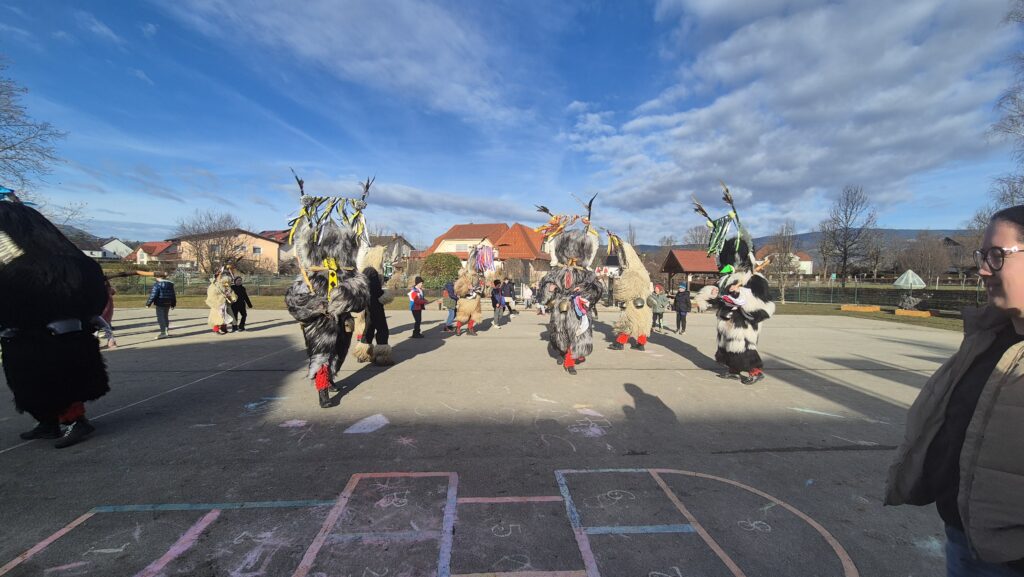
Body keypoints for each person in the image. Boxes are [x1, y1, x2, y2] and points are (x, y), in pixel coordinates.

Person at [886, 206, 1024, 576]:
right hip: (965, 537)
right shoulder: (989, 336)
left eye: (997, 256)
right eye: (983, 256)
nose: (983, 270)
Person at [1, 193, 110, 448]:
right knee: (27, 382)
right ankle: (47, 422)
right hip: (21, 336)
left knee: (59, 379)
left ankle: (75, 420)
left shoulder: (58, 264)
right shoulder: (17, 262)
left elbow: (92, 297)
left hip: (56, 337)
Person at [285, 191, 371, 409]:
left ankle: (330, 378)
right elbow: (295, 301)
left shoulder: (349, 274)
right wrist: (319, 306)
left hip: (343, 321)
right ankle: (322, 390)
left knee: (340, 352)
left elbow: (360, 299)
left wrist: (343, 299)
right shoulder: (311, 276)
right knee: (321, 356)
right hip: (320, 323)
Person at [536, 201, 604, 375]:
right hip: (560, 309)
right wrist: (549, 288)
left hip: (579, 310)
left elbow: (597, 288)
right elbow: (543, 288)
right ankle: (563, 353)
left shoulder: (585, 273)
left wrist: (584, 292)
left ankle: (569, 362)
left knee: (578, 335)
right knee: (560, 335)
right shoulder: (557, 271)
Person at [608, 239, 652, 352]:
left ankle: (620, 343)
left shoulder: (632, 274)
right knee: (642, 324)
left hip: (633, 304)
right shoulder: (643, 272)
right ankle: (641, 344)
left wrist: (617, 288)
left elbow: (624, 291)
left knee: (627, 322)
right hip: (644, 303)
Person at [145, 270, 177, 339]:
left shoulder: (157, 284)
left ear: (157, 277)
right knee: (165, 317)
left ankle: (163, 333)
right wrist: (173, 304)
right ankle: (166, 332)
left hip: (160, 303)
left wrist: (148, 303)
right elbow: (173, 295)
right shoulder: (170, 284)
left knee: (160, 318)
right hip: (168, 303)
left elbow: (153, 295)